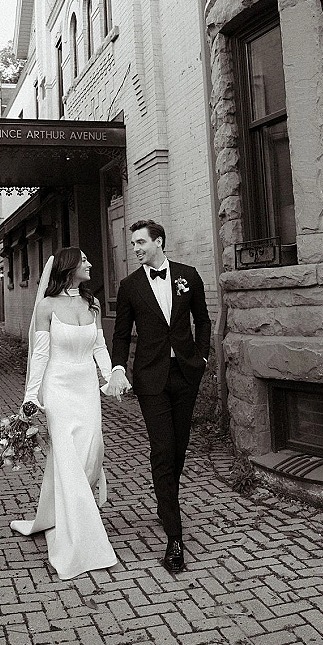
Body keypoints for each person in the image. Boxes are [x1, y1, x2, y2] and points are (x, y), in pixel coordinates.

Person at [10, 246, 130, 580]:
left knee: (91, 453)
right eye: (85, 260)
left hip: (86, 389)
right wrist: (31, 397)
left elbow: (99, 347)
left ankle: (52, 514)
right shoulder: (46, 307)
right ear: (69, 267)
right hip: (59, 389)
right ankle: (81, 542)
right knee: (67, 458)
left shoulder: (91, 303)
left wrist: (111, 378)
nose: (90, 263)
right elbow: (40, 355)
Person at [109, 220, 211, 573]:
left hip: (185, 374)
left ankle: (164, 502)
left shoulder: (189, 275)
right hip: (151, 379)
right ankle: (174, 536)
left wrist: (202, 357)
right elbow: (121, 335)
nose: (135, 248)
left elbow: (204, 320)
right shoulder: (129, 286)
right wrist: (118, 368)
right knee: (163, 449)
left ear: (158, 242)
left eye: (140, 242)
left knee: (179, 448)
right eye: (133, 243)